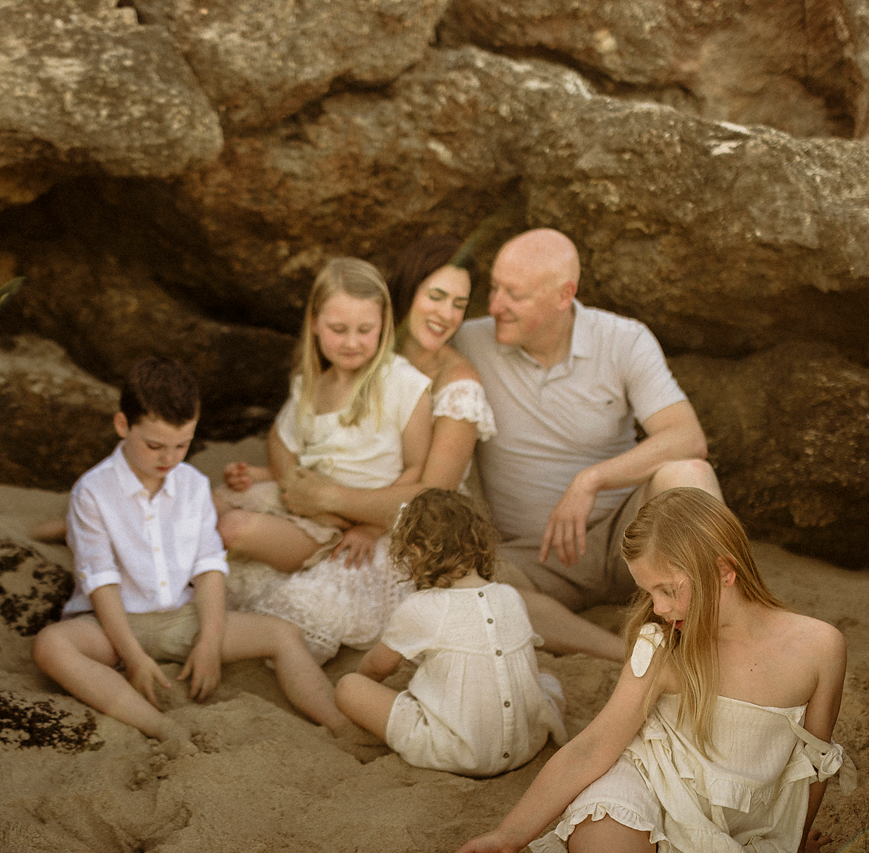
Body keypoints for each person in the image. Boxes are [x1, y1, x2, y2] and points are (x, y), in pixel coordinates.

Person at [284, 488, 855, 853]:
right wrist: (510, 835)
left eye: (668, 590)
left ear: (724, 570)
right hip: (640, 786)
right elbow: (594, 746)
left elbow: (811, 764)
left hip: (719, 821)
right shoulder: (664, 646)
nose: (657, 608)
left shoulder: (819, 647)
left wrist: (793, 843)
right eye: (648, 591)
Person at [267, 235, 620, 662]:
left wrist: (331, 500)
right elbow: (303, 426)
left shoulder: (458, 383)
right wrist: (290, 480)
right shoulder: (364, 345)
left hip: (420, 525)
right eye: (436, 296)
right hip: (342, 511)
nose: (446, 314)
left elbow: (433, 495)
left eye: (459, 303)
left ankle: (619, 651)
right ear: (408, 293)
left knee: (489, 600)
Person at [31, 358, 350, 753]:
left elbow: (210, 569)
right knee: (51, 645)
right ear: (122, 425)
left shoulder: (194, 485)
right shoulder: (92, 492)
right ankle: (161, 727)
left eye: (182, 445)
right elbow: (101, 582)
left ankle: (339, 726)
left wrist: (210, 643)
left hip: (182, 618)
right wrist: (133, 657)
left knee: (283, 634)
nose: (169, 459)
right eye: (154, 446)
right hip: (112, 625)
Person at [450, 228, 722, 612]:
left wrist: (591, 480)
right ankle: (611, 650)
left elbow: (687, 437)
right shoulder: (468, 341)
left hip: (633, 542)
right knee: (464, 586)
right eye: (494, 288)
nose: (494, 306)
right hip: (532, 560)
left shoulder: (624, 339)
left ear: (564, 295)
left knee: (689, 475)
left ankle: (718, 621)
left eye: (515, 294)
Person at [217, 256, 432, 574]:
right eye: (338, 329)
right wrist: (274, 476)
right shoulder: (311, 386)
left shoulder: (404, 383)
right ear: (315, 323)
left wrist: (372, 527)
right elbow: (281, 439)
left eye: (365, 329)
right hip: (307, 506)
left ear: (384, 324)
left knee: (232, 528)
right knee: (210, 503)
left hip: (347, 523)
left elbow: (417, 469)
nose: (351, 342)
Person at [334, 489, 566, 777]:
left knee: (348, 687)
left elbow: (377, 667)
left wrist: (365, 682)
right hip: (527, 745)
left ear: (417, 551)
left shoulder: (420, 607)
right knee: (547, 677)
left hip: (460, 753)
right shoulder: (510, 596)